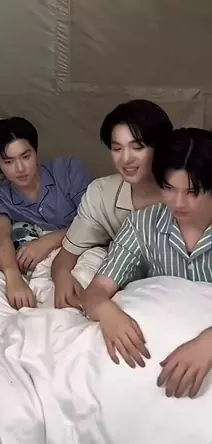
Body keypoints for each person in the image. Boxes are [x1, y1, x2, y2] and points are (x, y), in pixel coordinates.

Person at [82, 128, 212, 399]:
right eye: (169, 189)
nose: (178, 203)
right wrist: (107, 311)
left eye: (192, 192)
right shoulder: (143, 224)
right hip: (153, 356)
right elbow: (96, 291)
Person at [51, 99, 173, 309]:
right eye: (117, 148)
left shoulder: (187, 193)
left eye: (137, 147)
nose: (126, 159)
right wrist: (62, 276)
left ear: (160, 147)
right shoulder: (101, 193)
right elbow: (68, 253)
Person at [0, 117, 91, 309]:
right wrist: (13, 278)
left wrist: (48, 241)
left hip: (86, 252)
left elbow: (96, 221)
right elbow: (0, 237)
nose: (20, 168)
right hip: (45, 270)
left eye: (26, 157)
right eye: (9, 161)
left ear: (36, 151)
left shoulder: (67, 170)